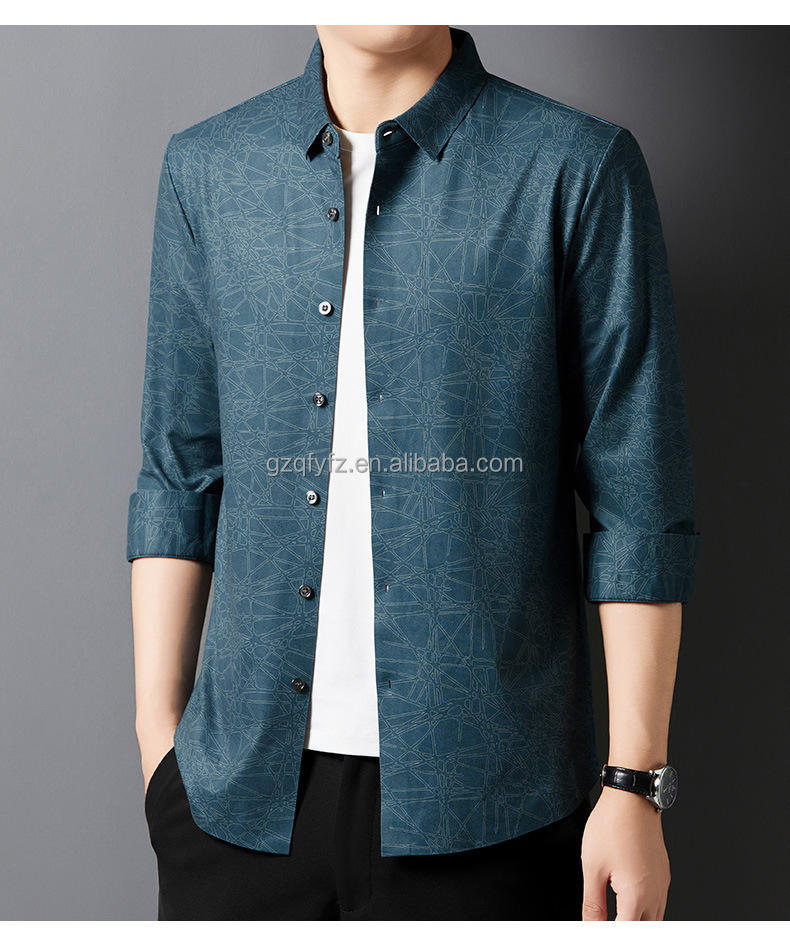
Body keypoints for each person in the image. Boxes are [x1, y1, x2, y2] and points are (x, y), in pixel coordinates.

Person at [127, 25, 700, 920]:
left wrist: (634, 783)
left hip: (497, 809)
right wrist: (158, 742)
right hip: (235, 802)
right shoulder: (210, 170)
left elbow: (640, 504)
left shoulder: (575, 167)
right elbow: (179, 471)